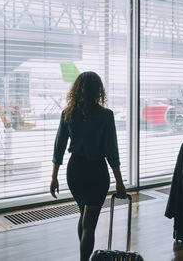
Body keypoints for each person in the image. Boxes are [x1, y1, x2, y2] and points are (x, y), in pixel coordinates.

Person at [50, 71, 127, 261]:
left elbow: (58, 148)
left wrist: (53, 177)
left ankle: (82, 255)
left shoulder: (67, 113)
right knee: (89, 223)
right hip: (96, 172)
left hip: (75, 171)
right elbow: (112, 151)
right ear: (98, 91)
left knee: (84, 216)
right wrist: (119, 181)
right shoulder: (105, 116)